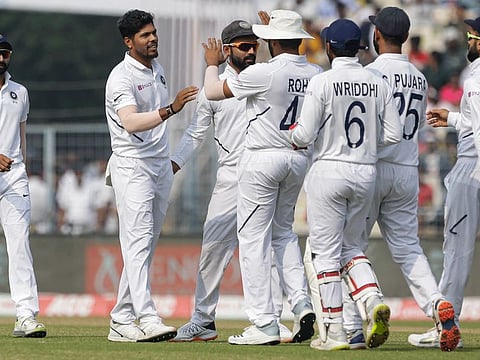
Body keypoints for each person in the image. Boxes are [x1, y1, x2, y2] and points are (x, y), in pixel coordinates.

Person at [341, 7, 460, 352]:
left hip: (373, 167)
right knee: (408, 249)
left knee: (349, 249)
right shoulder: (420, 77)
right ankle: (437, 304)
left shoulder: (369, 72)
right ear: (406, 37)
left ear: (376, 35)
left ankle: (353, 327)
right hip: (407, 169)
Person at [202, 9, 320, 345]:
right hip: (297, 159)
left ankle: (264, 323)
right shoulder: (316, 72)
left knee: (253, 240)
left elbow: (212, 91)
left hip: (262, 159)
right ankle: (300, 303)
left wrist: (212, 62)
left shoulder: (264, 73)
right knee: (283, 234)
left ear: (272, 41)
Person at [171, 20, 293, 343]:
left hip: (263, 172)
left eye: (255, 44)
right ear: (226, 51)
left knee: (263, 249)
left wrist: (273, 33)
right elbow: (196, 133)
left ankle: (273, 321)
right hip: (230, 176)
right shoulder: (214, 87)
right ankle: (203, 320)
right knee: (212, 247)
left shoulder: (266, 77)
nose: (251, 50)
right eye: (243, 46)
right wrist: (174, 162)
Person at [289, 18, 402, 351]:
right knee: (352, 249)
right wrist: (365, 148)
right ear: (360, 47)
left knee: (324, 254)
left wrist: (294, 137)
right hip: (365, 170)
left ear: (328, 47)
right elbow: (394, 135)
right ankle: (371, 301)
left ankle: (334, 331)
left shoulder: (322, 82)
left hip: (329, 171)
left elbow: (304, 134)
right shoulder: (377, 82)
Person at [104, 9, 198, 342]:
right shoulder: (120, 77)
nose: (153, 38)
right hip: (133, 167)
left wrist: (170, 161)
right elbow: (130, 122)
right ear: (129, 42)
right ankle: (146, 315)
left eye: (154, 32)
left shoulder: (157, 69)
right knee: (137, 242)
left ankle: (121, 317)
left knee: (145, 245)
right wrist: (170, 109)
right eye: (145, 35)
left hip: (158, 166)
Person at [408, 16, 480, 350]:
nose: (469, 42)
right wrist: (453, 118)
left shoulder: (476, 77)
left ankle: (445, 326)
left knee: (457, 251)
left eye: (471, 35)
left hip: (472, 172)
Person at [0, 34, 47, 338]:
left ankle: (25, 315)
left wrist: (24, 168)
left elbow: (21, 133)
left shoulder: (20, 92)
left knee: (19, 246)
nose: (2, 58)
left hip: (13, 179)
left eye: (5, 53)